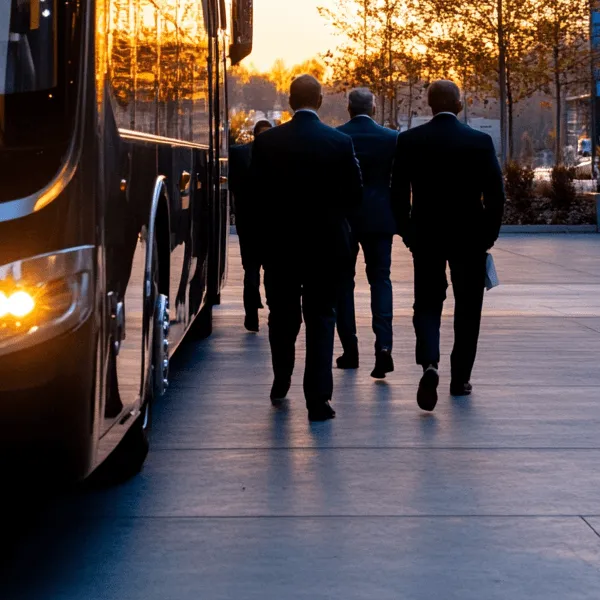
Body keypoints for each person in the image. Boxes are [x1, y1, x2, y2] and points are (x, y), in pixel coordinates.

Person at [251, 75, 362, 422]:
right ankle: (318, 399)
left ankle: (281, 378)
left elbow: (255, 201)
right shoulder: (339, 142)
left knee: (281, 316)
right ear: (319, 100)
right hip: (325, 246)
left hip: (280, 247)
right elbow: (354, 196)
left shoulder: (267, 143)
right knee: (321, 317)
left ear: (288, 101)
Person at [391, 80, 505, 412]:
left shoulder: (410, 141)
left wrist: (408, 233)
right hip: (470, 237)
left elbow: (398, 194)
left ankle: (429, 362)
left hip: (426, 235)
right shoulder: (479, 142)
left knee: (426, 302)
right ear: (458, 104)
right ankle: (460, 379)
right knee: (468, 309)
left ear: (429, 104)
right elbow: (495, 195)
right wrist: (488, 235)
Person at [335, 88, 398, 379]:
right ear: (374, 108)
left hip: (345, 219)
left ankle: (350, 350)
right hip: (379, 218)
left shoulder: (337, 137)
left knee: (343, 283)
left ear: (349, 108)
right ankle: (384, 347)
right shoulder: (391, 139)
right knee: (380, 280)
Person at [229, 120, 273, 332]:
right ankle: (272, 312)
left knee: (251, 269)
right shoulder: (279, 156)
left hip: (248, 221)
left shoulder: (238, 154)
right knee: (272, 271)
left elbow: (233, 185)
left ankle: (251, 314)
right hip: (272, 223)